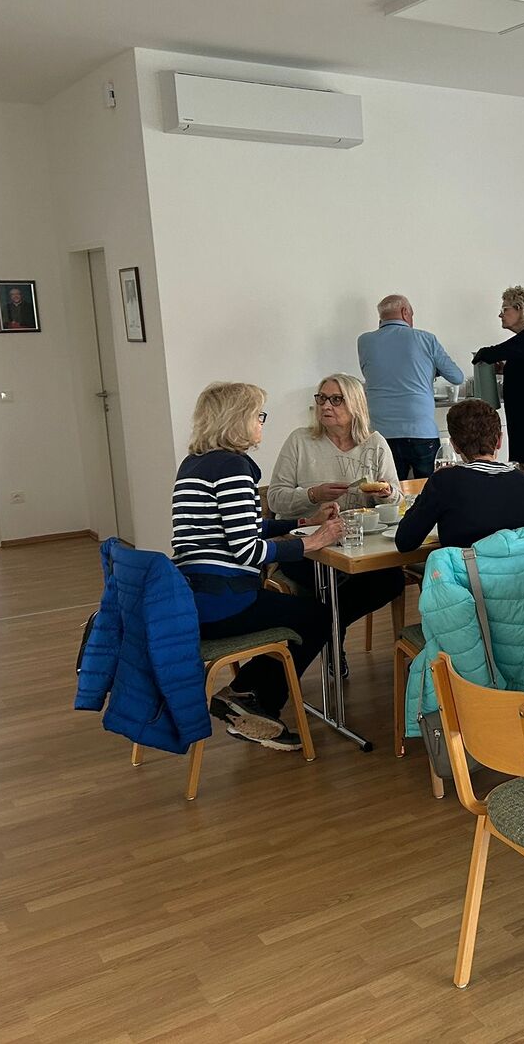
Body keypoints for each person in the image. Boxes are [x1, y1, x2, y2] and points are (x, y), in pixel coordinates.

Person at [172, 382, 341, 751]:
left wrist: (302, 522)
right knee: (318, 616)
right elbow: (247, 550)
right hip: (223, 602)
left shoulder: (195, 463)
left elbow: (241, 527)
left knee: (301, 611)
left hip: (193, 599)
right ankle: (253, 698)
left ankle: (246, 692)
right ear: (238, 420)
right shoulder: (232, 467)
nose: (261, 423)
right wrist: (312, 542)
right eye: (258, 415)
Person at [266, 374, 405, 669]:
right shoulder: (300, 441)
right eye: (322, 398)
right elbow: (275, 499)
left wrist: (386, 494)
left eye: (336, 399)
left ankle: (328, 630)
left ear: (355, 405)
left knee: (391, 580)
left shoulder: (375, 443)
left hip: (360, 546)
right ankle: (330, 634)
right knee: (327, 581)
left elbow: (396, 502)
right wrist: (313, 494)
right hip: (307, 548)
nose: (326, 405)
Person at [395, 399, 524, 550]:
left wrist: (428, 488)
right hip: (521, 565)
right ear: (499, 440)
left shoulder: (444, 482)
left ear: (455, 445)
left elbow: (405, 541)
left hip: (469, 565)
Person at [357, 294, 465, 479]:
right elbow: (457, 377)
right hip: (420, 430)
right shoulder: (426, 339)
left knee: (389, 490)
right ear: (405, 312)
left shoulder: (364, 341)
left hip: (380, 433)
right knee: (431, 489)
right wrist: (431, 370)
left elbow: (371, 372)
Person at [472, 285, 524, 485]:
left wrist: (480, 357)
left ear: (520, 309)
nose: (500, 314)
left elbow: (488, 353)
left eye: (505, 309)